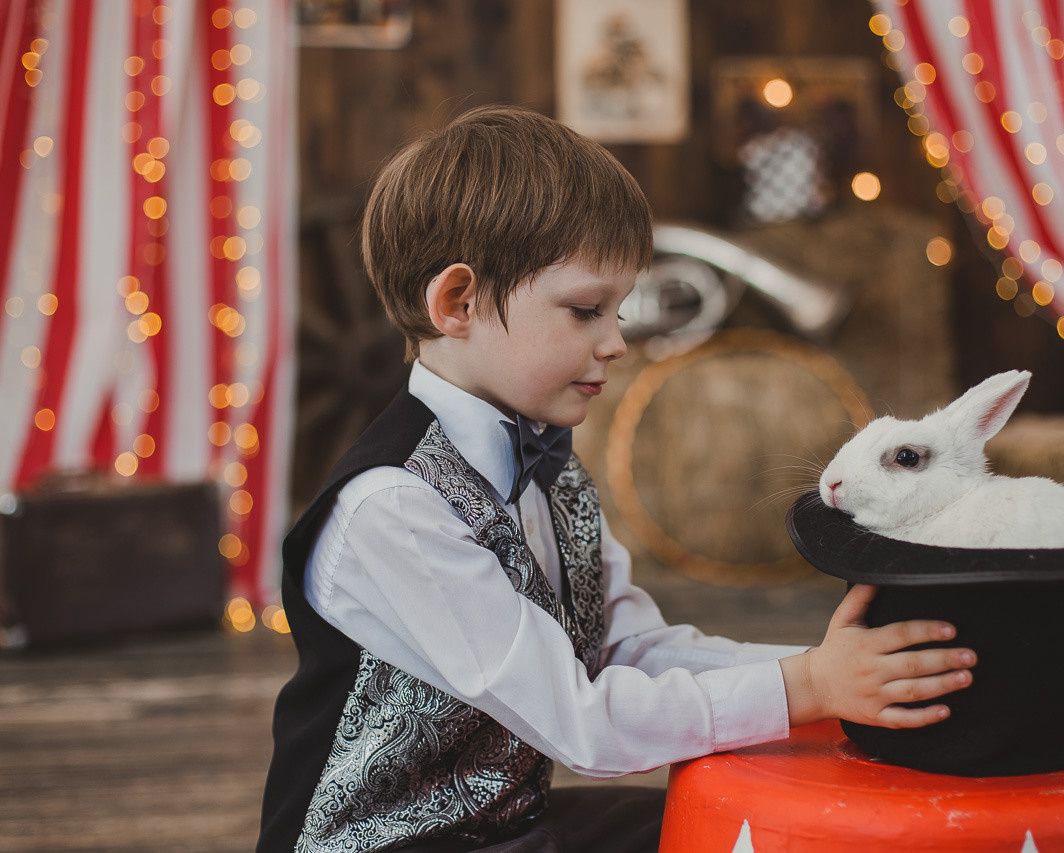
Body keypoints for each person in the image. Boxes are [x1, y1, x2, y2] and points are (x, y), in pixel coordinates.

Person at [256, 105, 975, 853]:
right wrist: (807, 691)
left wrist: (820, 670)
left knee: (736, 827)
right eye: (586, 310)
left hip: (504, 829)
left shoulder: (553, 471)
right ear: (458, 303)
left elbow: (631, 652)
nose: (618, 341)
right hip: (385, 846)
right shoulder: (394, 506)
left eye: (619, 310)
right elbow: (583, 723)